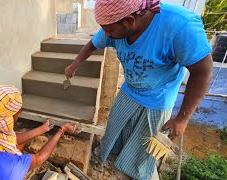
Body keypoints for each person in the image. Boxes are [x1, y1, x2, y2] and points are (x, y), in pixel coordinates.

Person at [65, 0, 213, 179]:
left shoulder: (180, 26)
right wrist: (74, 65)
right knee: (115, 127)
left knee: (143, 148)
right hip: (130, 89)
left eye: (109, 30)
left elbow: (202, 73)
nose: (106, 34)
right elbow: (93, 44)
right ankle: (111, 154)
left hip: (157, 99)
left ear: (129, 21)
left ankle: (132, 172)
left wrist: (182, 118)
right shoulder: (114, 27)